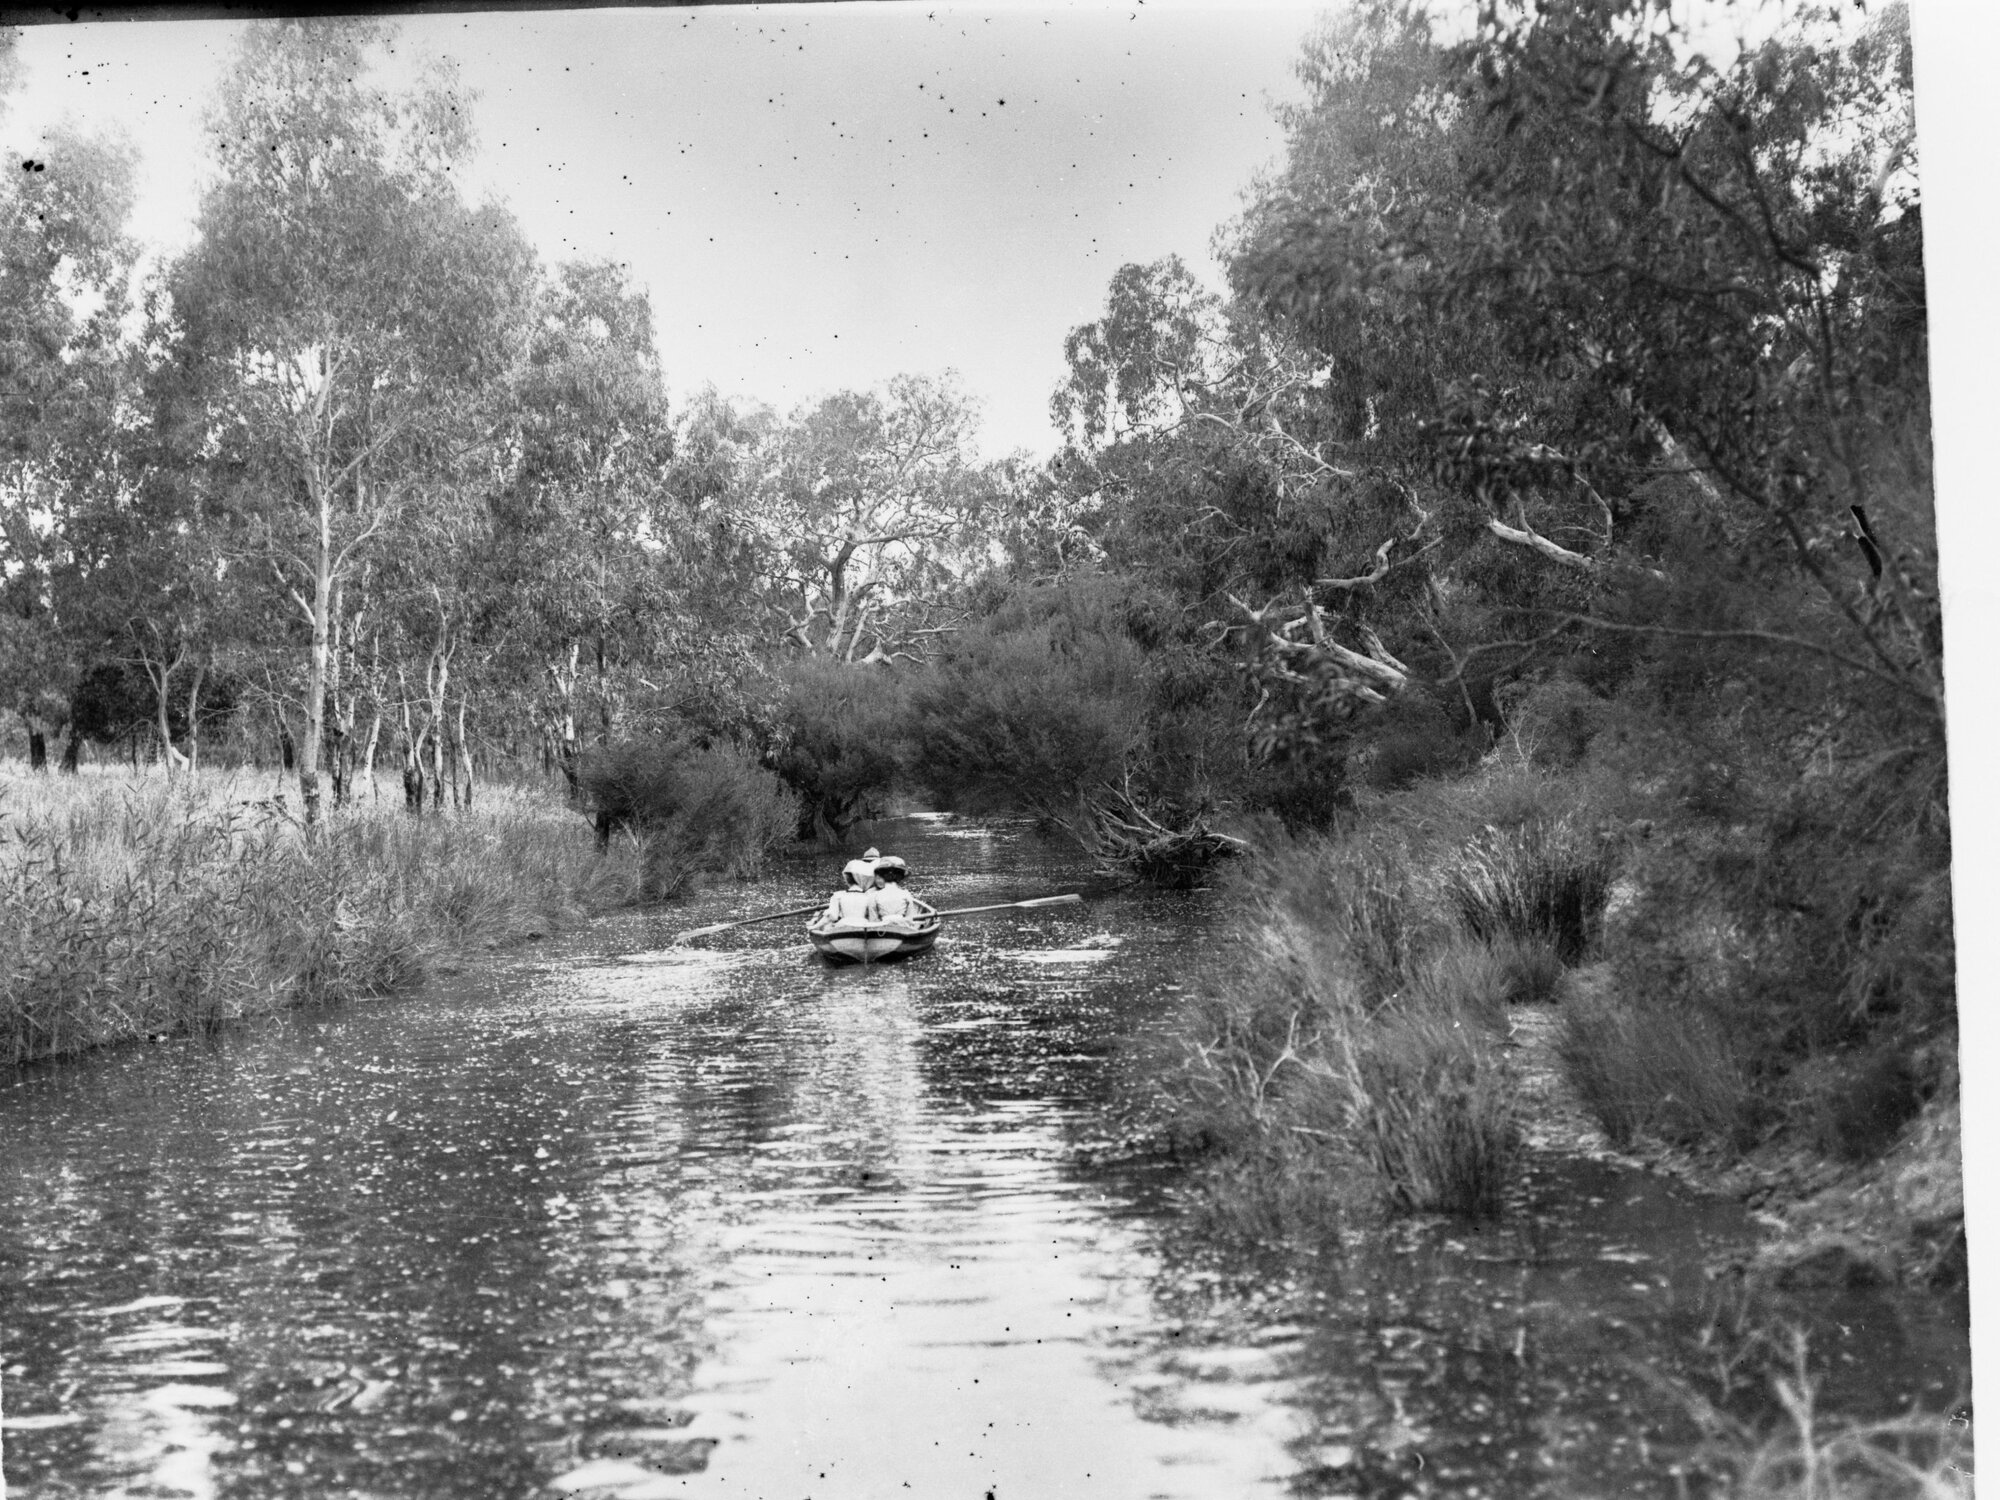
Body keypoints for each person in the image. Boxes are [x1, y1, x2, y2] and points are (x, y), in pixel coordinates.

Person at [865, 856, 933, 923]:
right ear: (900, 877)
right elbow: (910, 920)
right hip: (902, 927)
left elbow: (873, 922)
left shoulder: (874, 896)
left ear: (882, 875)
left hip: (882, 930)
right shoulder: (906, 894)